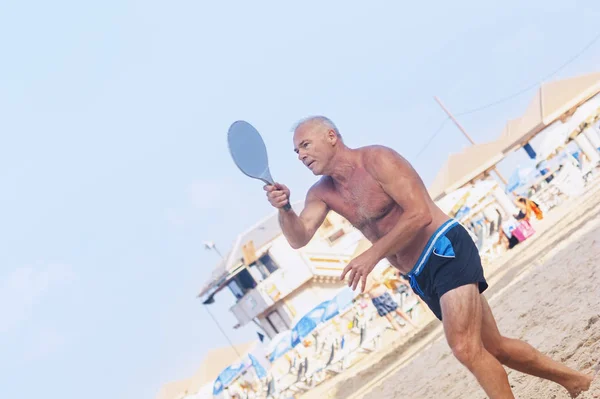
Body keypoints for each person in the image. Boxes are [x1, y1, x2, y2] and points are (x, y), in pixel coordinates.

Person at [264, 116, 594, 398]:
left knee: (464, 347)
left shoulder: (378, 160)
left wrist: (372, 256)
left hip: (443, 246)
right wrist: (284, 209)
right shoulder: (321, 193)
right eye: (296, 151)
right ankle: (578, 382)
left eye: (305, 144)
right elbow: (299, 237)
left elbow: (419, 214)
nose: (300, 155)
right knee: (494, 347)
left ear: (331, 137)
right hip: (421, 275)